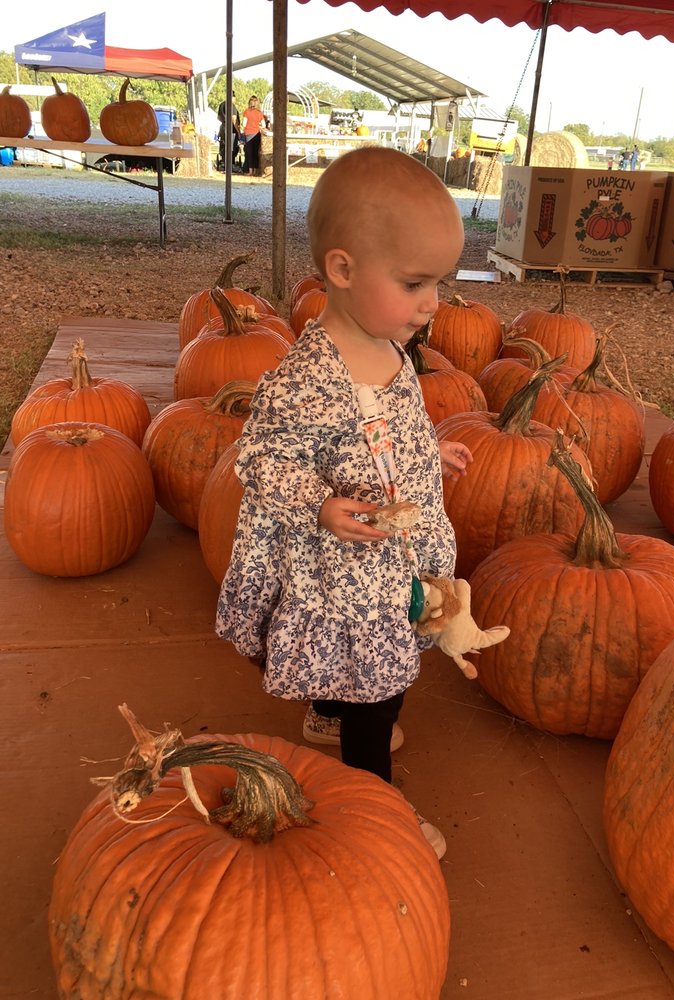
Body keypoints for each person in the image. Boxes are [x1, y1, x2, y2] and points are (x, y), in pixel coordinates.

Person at [216, 147, 475, 859]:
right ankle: (376, 810)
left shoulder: (391, 344)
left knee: (370, 666)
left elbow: (393, 424)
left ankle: (327, 712)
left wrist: (430, 451)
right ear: (342, 270)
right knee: (379, 686)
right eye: (416, 282)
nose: (432, 303)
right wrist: (320, 504)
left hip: (395, 547)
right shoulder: (306, 376)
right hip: (349, 568)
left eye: (440, 283)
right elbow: (260, 458)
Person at [241, 95, 266, 175]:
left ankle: (250, 171)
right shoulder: (260, 113)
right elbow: (264, 125)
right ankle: (255, 171)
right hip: (257, 134)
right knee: (255, 153)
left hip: (249, 134)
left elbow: (244, 124)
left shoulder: (247, 112)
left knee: (249, 153)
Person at [216, 98, 240, 172]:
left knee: (223, 144)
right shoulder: (231, 105)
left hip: (223, 127)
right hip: (231, 128)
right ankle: (230, 164)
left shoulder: (221, 105)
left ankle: (223, 162)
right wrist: (238, 131)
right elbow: (234, 119)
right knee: (232, 146)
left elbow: (218, 117)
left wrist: (224, 121)